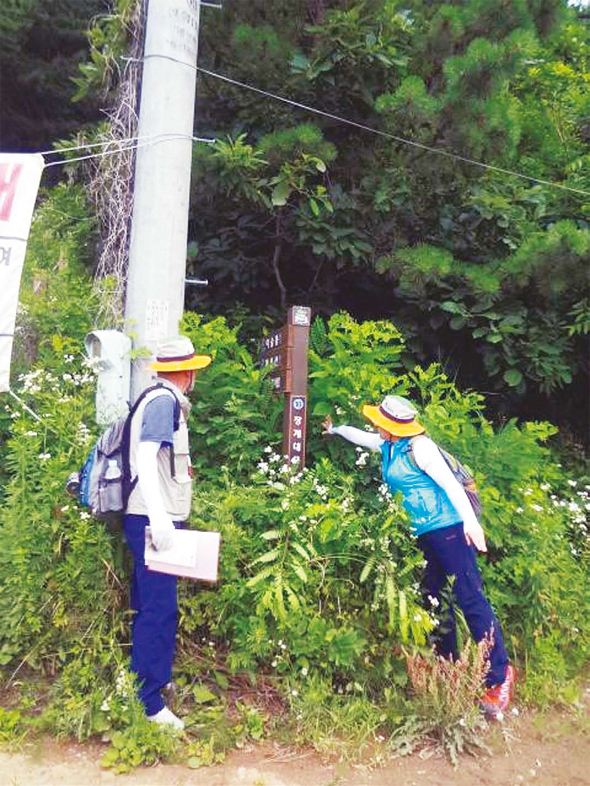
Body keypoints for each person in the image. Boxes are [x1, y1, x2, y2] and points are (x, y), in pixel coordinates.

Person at [323, 394, 515, 718]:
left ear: (393, 426)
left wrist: (472, 524)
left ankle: (500, 676)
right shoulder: (389, 445)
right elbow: (362, 437)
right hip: (427, 535)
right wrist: (336, 429)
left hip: (452, 530)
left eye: (380, 423)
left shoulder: (420, 447)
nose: (375, 426)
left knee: (470, 599)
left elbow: (451, 486)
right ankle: (448, 668)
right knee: (434, 599)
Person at [124, 335, 212, 729]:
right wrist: (160, 520)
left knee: (149, 606)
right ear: (188, 373)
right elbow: (145, 456)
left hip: (146, 517)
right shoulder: (163, 401)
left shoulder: (155, 398)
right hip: (150, 519)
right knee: (160, 609)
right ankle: (149, 703)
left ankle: (142, 683)